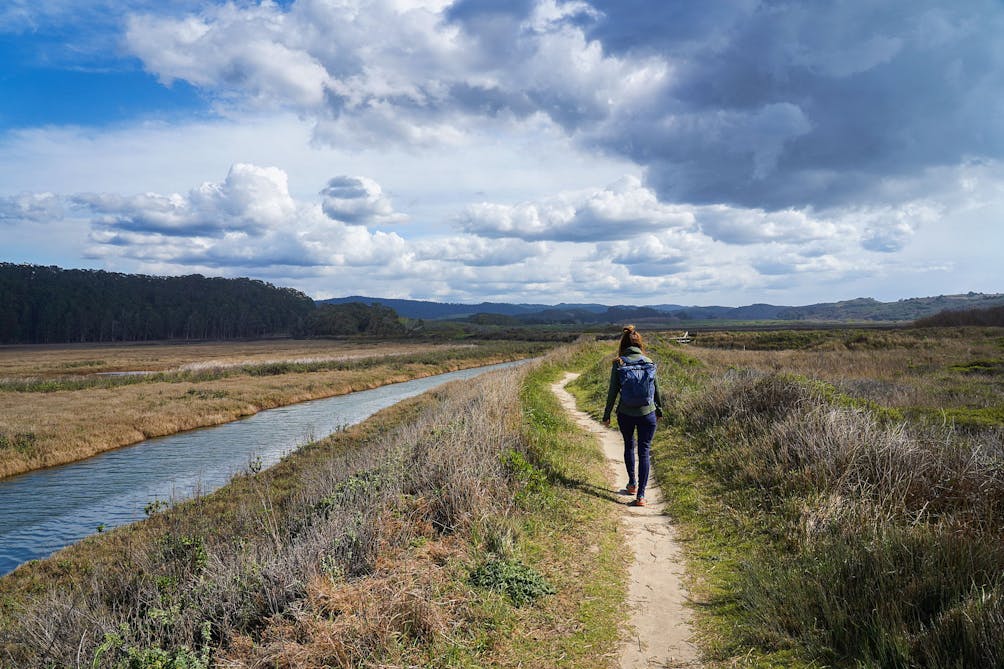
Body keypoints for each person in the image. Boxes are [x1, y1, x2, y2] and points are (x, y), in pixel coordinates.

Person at [602, 325, 663, 507]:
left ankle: (632, 485)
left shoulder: (619, 363)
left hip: (626, 413)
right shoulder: (649, 361)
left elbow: (612, 392)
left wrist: (606, 415)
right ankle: (642, 496)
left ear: (624, 343)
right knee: (644, 451)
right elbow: (656, 390)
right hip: (648, 413)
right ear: (639, 344)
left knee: (629, 445)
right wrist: (659, 410)